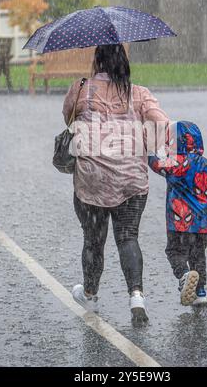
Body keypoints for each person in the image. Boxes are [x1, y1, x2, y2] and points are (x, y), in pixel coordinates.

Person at [63, 44, 168, 323]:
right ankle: (136, 296)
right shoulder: (139, 94)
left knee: (93, 241)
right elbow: (162, 124)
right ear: (124, 62)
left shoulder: (81, 88)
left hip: (91, 182)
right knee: (128, 238)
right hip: (131, 182)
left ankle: (90, 295)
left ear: (98, 60)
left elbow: (68, 119)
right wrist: (148, 143)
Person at [148, 120, 207, 306]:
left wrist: (151, 148)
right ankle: (200, 291)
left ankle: (184, 276)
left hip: (178, 221)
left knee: (174, 251)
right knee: (198, 256)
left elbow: (154, 162)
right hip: (201, 223)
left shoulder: (172, 163)